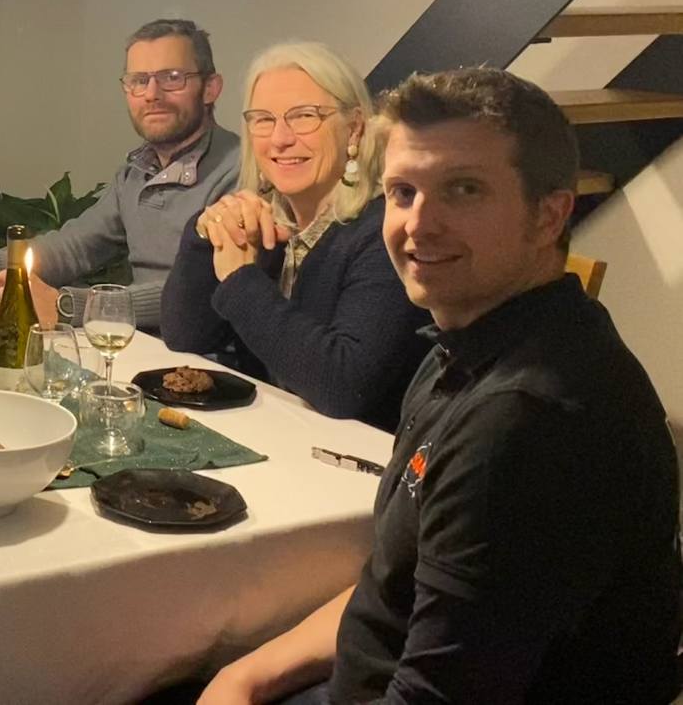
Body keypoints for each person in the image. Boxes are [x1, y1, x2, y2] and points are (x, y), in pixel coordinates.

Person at [195, 67, 681, 705]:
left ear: (549, 215)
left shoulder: (525, 423)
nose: (418, 224)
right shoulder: (465, 340)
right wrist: (247, 676)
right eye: (402, 192)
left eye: (464, 190)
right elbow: (395, 584)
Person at [160, 43, 428, 430]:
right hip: (277, 439)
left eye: (304, 116)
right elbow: (186, 336)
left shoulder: (385, 231)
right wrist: (206, 234)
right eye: (263, 120)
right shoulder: (266, 221)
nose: (280, 139)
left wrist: (239, 280)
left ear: (354, 127)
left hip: (357, 456)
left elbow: (343, 386)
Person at [0, 18, 240, 331]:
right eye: (138, 80)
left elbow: (201, 292)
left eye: (172, 78)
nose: (151, 94)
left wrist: (66, 305)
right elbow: (75, 246)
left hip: (205, 355)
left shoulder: (239, 173)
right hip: (140, 344)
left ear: (210, 89)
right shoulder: (137, 171)